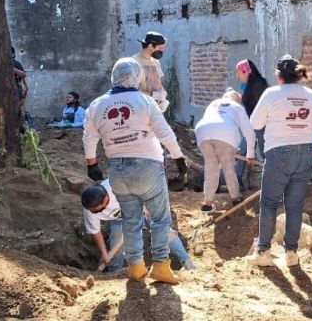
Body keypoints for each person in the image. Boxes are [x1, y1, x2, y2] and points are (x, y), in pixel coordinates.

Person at [83, 57, 188, 284]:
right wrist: (179, 159)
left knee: (130, 220)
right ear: (137, 76)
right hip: (148, 166)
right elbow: (165, 133)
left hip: (118, 171)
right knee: (160, 219)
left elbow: (89, 137)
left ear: (113, 77)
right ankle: (160, 266)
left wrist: (92, 164)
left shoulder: (97, 105)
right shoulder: (145, 101)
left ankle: (135, 267)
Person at [246, 55, 312, 267]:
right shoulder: (311, 94)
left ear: (279, 75)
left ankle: (263, 252)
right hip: (306, 150)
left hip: (279, 151)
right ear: (299, 75)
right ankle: (291, 253)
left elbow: (255, 122)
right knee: (295, 205)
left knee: (269, 202)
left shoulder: (272, 93)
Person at [81, 180, 195, 273]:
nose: (98, 212)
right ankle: (113, 275)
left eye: (100, 209)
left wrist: (145, 206)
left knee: (164, 231)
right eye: (95, 211)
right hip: (120, 220)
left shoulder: (118, 186)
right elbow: (95, 231)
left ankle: (187, 262)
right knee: (116, 247)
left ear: (106, 198)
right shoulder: (90, 210)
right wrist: (105, 253)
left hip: (142, 208)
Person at [195, 89, 255, 211]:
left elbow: (209, 123)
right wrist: (250, 154)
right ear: (238, 100)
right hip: (227, 134)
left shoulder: (214, 103)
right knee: (228, 168)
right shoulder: (238, 107)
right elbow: (249, 133)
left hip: (202, 132)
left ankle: (207, 203)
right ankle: (236, 198)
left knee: (211, 167)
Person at [234, 59, 268, 188]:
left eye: (239, 73)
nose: (238, 76)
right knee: (243, 151)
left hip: (261, 126)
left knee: (265, 154)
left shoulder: (259, 84)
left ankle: (270, 184)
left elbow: (263, 107)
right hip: (250, 125)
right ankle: (237, 181)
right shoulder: (247, 84)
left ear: (246, 72)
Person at [132, 31, 169, 112]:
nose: (162, 51)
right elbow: (130, 90)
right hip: (141, 109)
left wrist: (162, 96)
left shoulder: (155, 61)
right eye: (160, 48)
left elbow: (159, 82)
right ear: (150, 46)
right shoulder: (133, 63)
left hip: (156, 109)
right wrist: (153, 95)